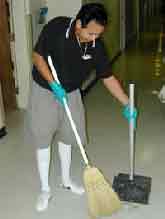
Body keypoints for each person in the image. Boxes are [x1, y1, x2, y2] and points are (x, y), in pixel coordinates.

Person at [28, 3, 137, 212]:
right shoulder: (57, 28)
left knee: (70, 135)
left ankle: (67, 179)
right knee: (43, 136)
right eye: (91, 33)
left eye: (99, 34)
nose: (95, 38)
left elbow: (107, 77)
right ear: (79, 24)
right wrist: (52, 83)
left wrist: (127, 102)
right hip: (45, 87)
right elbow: (38, 57)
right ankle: (44, 189)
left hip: (71, 91)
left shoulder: (96, 46)